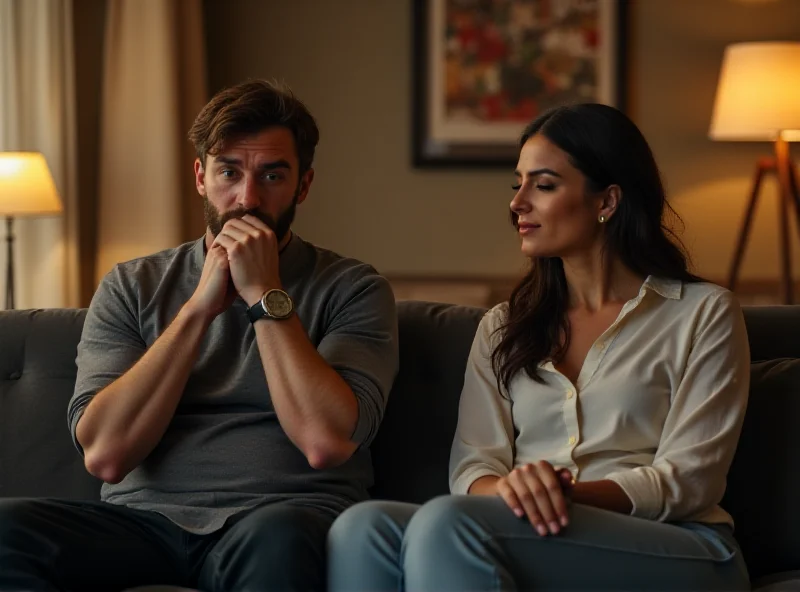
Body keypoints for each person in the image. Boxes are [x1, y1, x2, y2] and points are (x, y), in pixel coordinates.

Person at [327, 103, 751, 591]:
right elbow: (474, 465)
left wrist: (559, 493)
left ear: (606, 201)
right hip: (535, 528)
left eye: (543, 185)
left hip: (680, 545)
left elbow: (690, 479)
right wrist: (514, 493)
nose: (517, 203)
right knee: (362, 529)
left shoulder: (704, 313)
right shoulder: (502, 326)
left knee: (448, 524)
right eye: (518, 183)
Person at [0, 79, 398, 591]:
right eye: (228, 171)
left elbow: (325, 442)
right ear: (200, 178)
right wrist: (197, 310)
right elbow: (105, 454)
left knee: (281, 535)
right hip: (143, 522)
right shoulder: (131, 285)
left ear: (304, 185)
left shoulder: (353, 288)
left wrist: (264, 296)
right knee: (7, 530)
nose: (247, 197)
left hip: (280, 517)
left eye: (272, 175)